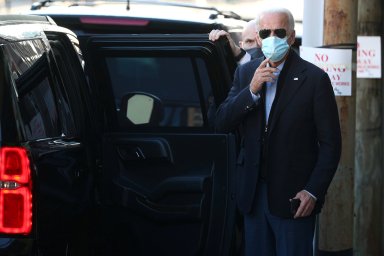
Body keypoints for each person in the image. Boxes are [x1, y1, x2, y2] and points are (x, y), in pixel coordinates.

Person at [215, 7, 341, 256]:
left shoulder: (314, 79)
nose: (272, 38)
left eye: (279, 32)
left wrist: (313, 190)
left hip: (294, 197)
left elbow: (331, 144)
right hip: (254, 194)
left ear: (291, 37)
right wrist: (251, 90)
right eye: (266, 32)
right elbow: (221, 122)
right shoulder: (245, 73)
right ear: (259, 38)